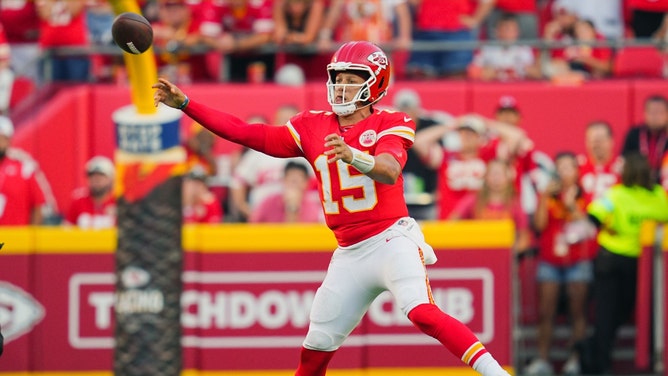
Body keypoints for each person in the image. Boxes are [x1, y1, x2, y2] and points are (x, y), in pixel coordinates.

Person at [153, 40, 510, 376]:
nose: (342, 87)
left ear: (376, 85)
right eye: (338, 79)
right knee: (315, 350)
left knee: (421, 312)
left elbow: (389, 170)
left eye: (353, 80)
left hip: (391, 240)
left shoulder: (390, 122)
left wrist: (354, 155)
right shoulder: (312, 125)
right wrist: (188, 104)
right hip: (349, 253)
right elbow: (247, 133)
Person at [578, 152, 668, 374]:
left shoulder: (616, 194)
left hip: (614, 258)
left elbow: (593, 217)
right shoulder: (657, 196)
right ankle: (602, 359)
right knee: (622, 311)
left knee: (608, 313)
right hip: (640, 264)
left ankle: (599, 358)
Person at [528, 151, 595, 376]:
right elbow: (539, 225)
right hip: (550, 261)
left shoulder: (586, 195)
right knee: (546, 311)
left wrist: (572, 205)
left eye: (569, 167)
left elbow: (589, 228)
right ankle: (543, 360)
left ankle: (576, 360)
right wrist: (546, 197)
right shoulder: (547, 195)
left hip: (578, 260)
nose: (564, 172)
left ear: (577, 172)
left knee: (579, 312)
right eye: (560, 168)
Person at [449, 159, 531, 254]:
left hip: (504, 258)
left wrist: (508, 253)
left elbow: (524, 238)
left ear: (508, 177)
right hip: (477, 254)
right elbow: (453, 222)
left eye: (500, 174)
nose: (496, 178)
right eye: (493, 174)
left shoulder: (515, 205)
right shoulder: (473, 200)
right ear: (486, 177)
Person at [0, 115, 52, 225]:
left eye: (1, 138)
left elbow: (39, 205)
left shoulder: (24, 167)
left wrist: (29, 239)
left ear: (9, 140)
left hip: (17, 237)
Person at [469, 13, 541, 81]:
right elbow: (472, 71)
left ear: (517, 32)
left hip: (519, 88)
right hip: (494, 88)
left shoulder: (525, 50)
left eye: (513, 30)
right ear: (497, 31)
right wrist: (486, 73)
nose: (509, 33)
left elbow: (538, 74)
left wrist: (522, 69)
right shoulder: (487, 49)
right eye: (506, 29)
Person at [250, 160, 322, 223]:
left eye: (299, 179)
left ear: (307, 183)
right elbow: (252, 225)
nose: (294, 182)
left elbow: (295, 235)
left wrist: (293, 208)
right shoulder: (268, 202)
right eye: (291, 178)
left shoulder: (313, 207)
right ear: (283, 180)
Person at [621, 94, 668, 184]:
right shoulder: (634, 134)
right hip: (637, 182)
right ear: (645, 113)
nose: (655, 117)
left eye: (659, 112)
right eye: (652, 112)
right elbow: (624, 159)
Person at [64, 155, 116, 229]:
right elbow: (66, 231)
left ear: (111, 179)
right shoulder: (78, 202)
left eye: (101, 176)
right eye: (92, 176)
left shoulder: (118, 203)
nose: (96, 180)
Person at [578, 121, 622, 204]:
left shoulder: (623, 168)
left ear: (611, 141)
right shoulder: (578, 167)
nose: (597, 145)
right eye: (593, 141)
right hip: (585, 215)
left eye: (600, 140)